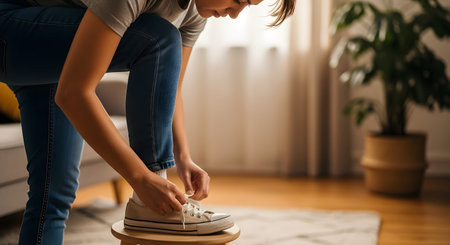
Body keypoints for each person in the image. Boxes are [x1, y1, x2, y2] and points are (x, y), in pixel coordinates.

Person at [0, 0, 295, 244]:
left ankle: (149, 194)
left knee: (53, 195)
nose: (235, 14)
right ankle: (146, 204)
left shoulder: (197, 11)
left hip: (50, 49)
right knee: (158, 36)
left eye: (247, 6)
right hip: (10, 24)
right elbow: (74, 93)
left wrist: (183, 157)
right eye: (238, 0)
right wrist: (142, 178)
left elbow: (169, 88)